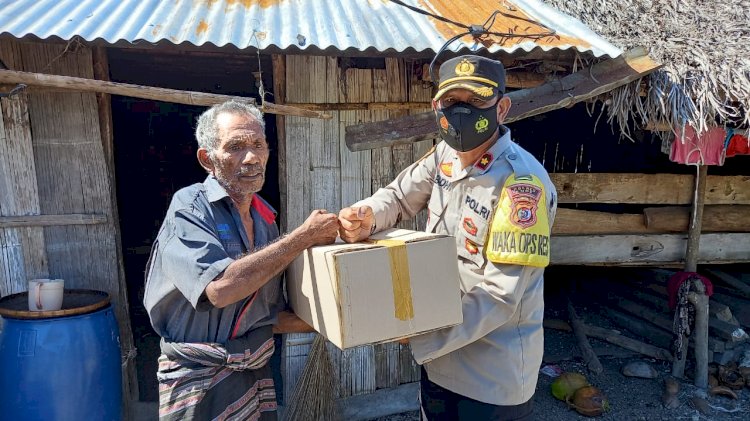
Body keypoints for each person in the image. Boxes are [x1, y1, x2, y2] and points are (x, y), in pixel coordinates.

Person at [339, 55, 557, 420]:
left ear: (501, 108)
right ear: (436, 106)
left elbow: (499, 297)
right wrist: (366, 217)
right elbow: (396, 197)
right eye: (452, 102)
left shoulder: (521, 185)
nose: (461, 112)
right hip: (438, 359)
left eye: (475, 102)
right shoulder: (445, 156)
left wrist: (416, 334)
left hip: (491, 374)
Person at [143, 100, 338, 420]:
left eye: (258, 145)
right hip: (198, 382)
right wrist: (304, 236)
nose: (251, 158)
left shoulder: (266, 220)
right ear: (208, 159)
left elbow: (266, 316)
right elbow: (220, 289)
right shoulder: (190, 207)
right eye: (235, 147)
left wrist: (346, 319)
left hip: (252, 374)